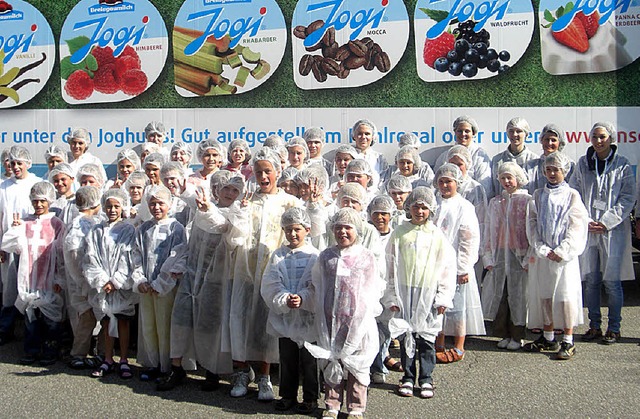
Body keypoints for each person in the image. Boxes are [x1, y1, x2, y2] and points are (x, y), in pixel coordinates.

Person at [225, 148, 303, 400]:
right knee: (240, 318)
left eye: (267, 171)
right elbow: (231, 239)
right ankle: (239, 372)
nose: (263, 176)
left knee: (266, 325)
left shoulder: (289, 203)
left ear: (277, 172)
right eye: (258, 172)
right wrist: (240, 212)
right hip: (244, 272)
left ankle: (264, 377)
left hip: (273, 273)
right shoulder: (247, 200)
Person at [304, 208, 385, 419]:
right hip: (331, 317)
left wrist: (364, 315)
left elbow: (373, 287)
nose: (343, 232)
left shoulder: (366, 257)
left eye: (348, 227)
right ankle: (332, 405)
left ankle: (356, 407)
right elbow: (318, 285)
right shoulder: (326, 257)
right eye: (338, 228)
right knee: (333, 359)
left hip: (357, 319)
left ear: (357, 230)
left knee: (356, 363)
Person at [384, 187, 456, 398]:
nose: (420, 211)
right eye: (416, 206)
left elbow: (446, 268)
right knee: (407, 334)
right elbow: (389, 266)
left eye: (424, 207)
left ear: (430, 209)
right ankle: (407, 377)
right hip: (405, 291)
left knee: (426, 337)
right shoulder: (399, 233)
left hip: (428, 292)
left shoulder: (436, 235)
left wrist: (443, 296)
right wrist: (391, 296)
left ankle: (426, 378)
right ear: (409, 207)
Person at [570, 122, 636, 345]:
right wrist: (586, 220)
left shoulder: (623, 165)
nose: (599, 141)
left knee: (612, 282)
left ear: (611, 138)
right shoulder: (583, 163)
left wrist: (607, 221)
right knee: (591, 280)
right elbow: (574, 192)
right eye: (595, 137)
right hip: (588, 229)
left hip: (612, 231)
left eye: (603, 137)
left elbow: (627, 197)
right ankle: (594, 325)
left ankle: (614, 328)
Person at [525, 153, 589, 359]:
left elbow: (577, 226)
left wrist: (563, 250)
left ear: (565, 171)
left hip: (564, 258)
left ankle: (568, 340)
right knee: (545, 295)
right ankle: (548, 335)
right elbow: (531, 225)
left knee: (565, 296)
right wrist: (541, 248)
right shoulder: (537, 195)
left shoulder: (571, 195)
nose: (552, 173)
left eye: (557, 170)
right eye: (549, 170)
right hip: (544, 256)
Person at [261, 208, 320, 414]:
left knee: (310, 360)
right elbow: (270, 283)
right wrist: (285, 298)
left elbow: (317, 284)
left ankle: (311, 397)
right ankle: (287, 395)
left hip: (308, 319)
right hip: (285, 318)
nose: (292, 234)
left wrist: (304, 298)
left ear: (307, 229)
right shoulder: (278, 255)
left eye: (297, 229)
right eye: (288, 230)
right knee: (287, 359)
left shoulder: (315, 256)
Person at [1, 182, 66, 365]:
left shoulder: (56, 224)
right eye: (35, 201)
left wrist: (60, 278)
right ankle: (31, 350)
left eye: (42, 201)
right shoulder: (26, 223)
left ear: (49, 201)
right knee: (31, 316)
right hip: (29, 278)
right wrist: (15, 230)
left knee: (51, 319)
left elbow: (61, 254)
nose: (38, 205)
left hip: (49, 279)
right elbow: (11, 246)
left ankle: (50, 350)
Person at [132, 185, 188, 383]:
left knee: (166, 327)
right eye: (152, 203)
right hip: (147, 288)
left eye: (160, 203)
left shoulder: (176, 228)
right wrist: (140, 280)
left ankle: (168, 367)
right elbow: (136, 255)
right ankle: (153, 363)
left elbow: (178, 257)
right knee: (149, 326)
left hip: (167, 289)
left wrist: (161, 283)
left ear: (169, 204)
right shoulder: (143, 229)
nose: (156, 207)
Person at [432, 164, 484, 363]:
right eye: (442, 181)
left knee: (458, 307)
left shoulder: (464, 206)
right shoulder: (434, 203)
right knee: (439, 305)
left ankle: (459, 345)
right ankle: (439, 341)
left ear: (457, 183)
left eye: (449, 181)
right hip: (435, 265)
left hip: (455, 265)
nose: (445, 185)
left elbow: (468, 238)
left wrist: (463, 267)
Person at [85, 189, 138, 378]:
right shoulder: (96, 231)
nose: (112, 210)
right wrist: (102, 281)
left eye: (116, 206)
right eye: (109, 206)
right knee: (106, 322)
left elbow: (130, 257)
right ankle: (108, 358)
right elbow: (90, 257)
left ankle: (123, 359)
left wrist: (116, 281)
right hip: (103, 287)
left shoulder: (128, 230)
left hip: (121, 286)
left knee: (123, 321)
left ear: (123, 206)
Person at [481, 162, 531, 351]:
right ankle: (503, 333)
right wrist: (488, 256)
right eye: (503, 178)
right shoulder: (496, 202)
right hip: (501, 253)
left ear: (518, 178)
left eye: (510, 177)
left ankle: (518, 334)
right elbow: (488, 230)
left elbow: (531, 231)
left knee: (519, 295)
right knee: (501, 294)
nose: (507, 181)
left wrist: (529, 257)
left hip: (520, 255)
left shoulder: (527, 201)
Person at [0, 146, 41, 346]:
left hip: (31, 245)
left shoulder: (37, 183)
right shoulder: (3, 187)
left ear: (28, 163)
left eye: (19, 163)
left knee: (29, 284)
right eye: (12, 163)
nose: (15, 167)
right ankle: (5, 328)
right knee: (9, 287)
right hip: (9, 243)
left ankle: (31, 332)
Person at [63, 186, 103, 370]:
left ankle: (91, 352)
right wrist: (84, 280)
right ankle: (77, 353)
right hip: (83, 282)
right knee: (86, 318)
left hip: (85, 280)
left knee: (91, 317)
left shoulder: (85, 221)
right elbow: (74, 253)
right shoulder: (82, 224)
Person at [366, 195, 400, 385]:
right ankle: (368, 366)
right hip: (369, 288)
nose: (380, 218)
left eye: (384, 214)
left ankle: (379, 366)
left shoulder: (396, 236)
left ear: (391, 215)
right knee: (368, 330)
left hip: (388, 289)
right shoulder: (367, 234)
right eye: (376, 213)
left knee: (384, 330)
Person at [433, 116, 492, 198]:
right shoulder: (444, 156)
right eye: (460, 131)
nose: (463, 134)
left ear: (473, 133)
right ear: (455, 132)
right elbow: (436, 181)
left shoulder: (480, 155)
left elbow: (485, 184)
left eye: (467, 131)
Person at [490, 117, 538, 197]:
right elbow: (494, 189)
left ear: (526, 134)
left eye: (519, 131)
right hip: (502, 207)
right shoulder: (497, 160)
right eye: (511, 131)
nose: (514, 134)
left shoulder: (534, 160)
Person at [524, 124, 575, 194]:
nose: (549, 143)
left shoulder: (568, 165)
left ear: (560, 143)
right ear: (541, 140)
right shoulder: (531, 166)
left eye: (553, 140)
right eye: (547, 139)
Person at [351, 119, 388, 189]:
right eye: (359, 134)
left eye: (367, 134)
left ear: (373, 136)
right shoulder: (348, 156)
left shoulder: (379, 158)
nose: (363, 137)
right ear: (354, 136)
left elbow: (385, 180)